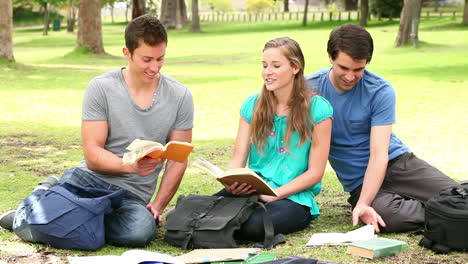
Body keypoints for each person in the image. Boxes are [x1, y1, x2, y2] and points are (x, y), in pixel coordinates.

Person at [3, 14, 194, 247]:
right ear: (127, 53)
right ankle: (36, 203)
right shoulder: (101, 88)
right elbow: (92, 154)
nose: (154, 67)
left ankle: (55, 213)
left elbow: (178, 159)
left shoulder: (180, 95)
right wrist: (129, 165)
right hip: (88, 181)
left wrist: (157, 207)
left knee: (139, 232)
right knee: (54, 224)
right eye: (146, 59)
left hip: (130, 197)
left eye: (160, 58)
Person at [306, 24, 459, 233]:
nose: (350, 77)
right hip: (360, 183)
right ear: (330, 58)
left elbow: (379, 154)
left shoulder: (380, 90)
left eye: (358, 69)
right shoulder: (309, 90)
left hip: (398, 164)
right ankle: (448, 214)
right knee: (389, 220)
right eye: (344, 68)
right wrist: (363, 203)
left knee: (457, 196)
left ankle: (450, 211)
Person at [215, 37, 333, 242]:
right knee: (201, 213)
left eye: (276, 66)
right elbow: (238, 158)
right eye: (264, 66)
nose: (267, 72)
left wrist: (276, 194)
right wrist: (232, 181)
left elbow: (315, 173)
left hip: (294, 197)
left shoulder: (318, 109)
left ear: (295, 67)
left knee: (252, 227)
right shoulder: (252, 106)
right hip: (252, 190)